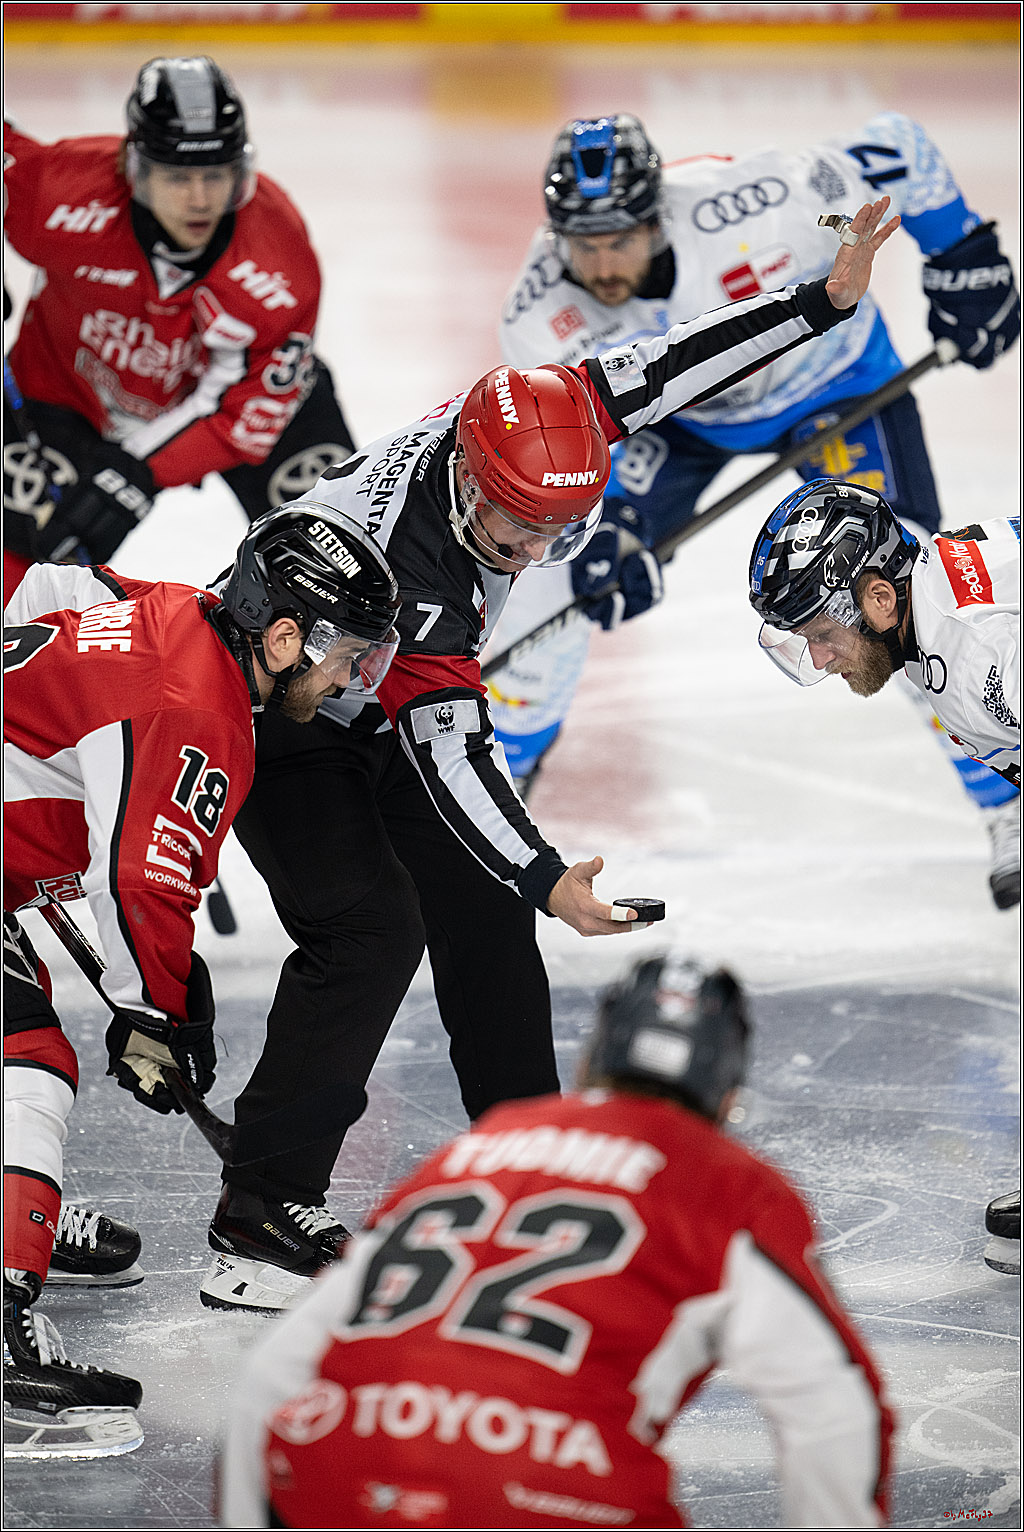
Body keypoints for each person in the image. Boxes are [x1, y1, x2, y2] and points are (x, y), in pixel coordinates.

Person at [199, 194, 899, 1317]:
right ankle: (260, 1215)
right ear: (470, 480)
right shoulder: (417, 574)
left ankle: (527, 1176)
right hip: (281, 705)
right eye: (516, 529)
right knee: (372, 926)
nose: (532, 553)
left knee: (480, 914)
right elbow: (449, 746)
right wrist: (546, 875)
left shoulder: (549, 417)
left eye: (556, 533)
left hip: (366, 687)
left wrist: (818, 302)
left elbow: (677, 362)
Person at [488, 111, 1021, 907]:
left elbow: (901, 147)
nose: (599, 265)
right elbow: (573, 437)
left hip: (833, 383)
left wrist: (962, 256)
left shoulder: (762, 199)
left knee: (899, 599)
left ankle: (1004, 799)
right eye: (581, 244)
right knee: (563, 574)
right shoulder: (536, 313)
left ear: (656, 215)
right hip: (680, 421)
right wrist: (606, 521)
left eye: (619, 240)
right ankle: (500, 784)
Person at [218, 950, 894, 1528]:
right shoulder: (733, 1184)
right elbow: (834, 1406)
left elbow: (272, 1373)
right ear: (727, 1093)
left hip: (340, 1471)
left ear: (592, 1058)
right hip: (553, 1495)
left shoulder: (480, 1146)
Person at [3, 504, 401, 1457]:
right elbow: (138, 882)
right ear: (284, 638)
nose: (351, 680)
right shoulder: (200, 707)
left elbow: (46, 590)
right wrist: (158, 1013)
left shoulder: (174, 608)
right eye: (349, 655)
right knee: (26, 1061)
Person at [748, 476, 1020, 1276]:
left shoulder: (979, 657)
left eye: (821, 633)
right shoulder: (935, 601)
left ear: (876, 597)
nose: (821, 659)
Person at [2, 55, 356, 605]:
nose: (200, 199)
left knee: (336, 545)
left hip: (234, 402)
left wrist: (136, 472)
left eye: (215, 175)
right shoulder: (62, 192)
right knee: (27, 560)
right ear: (136, 170)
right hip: (68, 397)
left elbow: (242, 416)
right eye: (176, 177)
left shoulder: (278, 261)